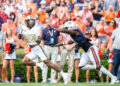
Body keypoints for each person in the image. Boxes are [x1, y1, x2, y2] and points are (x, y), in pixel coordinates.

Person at [18, 15, 68, 84]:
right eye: (30, 21)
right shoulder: (23, 28)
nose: (31, 22)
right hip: (32, 50)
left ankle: (64, 74)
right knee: (24, 61)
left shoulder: (36, 28)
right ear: (27, 22)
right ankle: (39, 65)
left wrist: (36, 39)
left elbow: (39, 40)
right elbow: (19, 38)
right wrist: (20, 33)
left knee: (48, 63)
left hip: (38, 48)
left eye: (32, 21)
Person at [41, 18, 60, 83]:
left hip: (55, 47)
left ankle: (52, 79)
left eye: (49, 22)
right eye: (46, 22)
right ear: (45, 23)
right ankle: (44, 79)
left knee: (54, 63)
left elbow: (58, 38)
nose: (48, 23)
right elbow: (42, 40)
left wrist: (59, 47)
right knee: (45, 63)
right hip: (47, 47)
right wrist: (43, 49)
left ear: (51, 22)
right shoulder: (44, 30)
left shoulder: (56, 29)